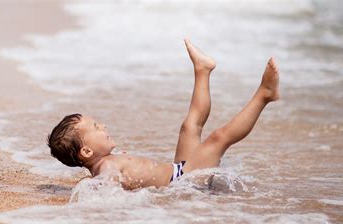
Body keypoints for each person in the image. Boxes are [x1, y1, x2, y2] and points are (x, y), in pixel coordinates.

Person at [47, 39, 280, 190]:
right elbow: (106, 187)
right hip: (185, 181)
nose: (103, 126)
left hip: (180, 170)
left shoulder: (107, 161)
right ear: (86, 151)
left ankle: (203, 70)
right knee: (219, 138)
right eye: (96, 127)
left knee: (190, 126)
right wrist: (94, 186)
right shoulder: (105, 169)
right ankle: (264, 95)